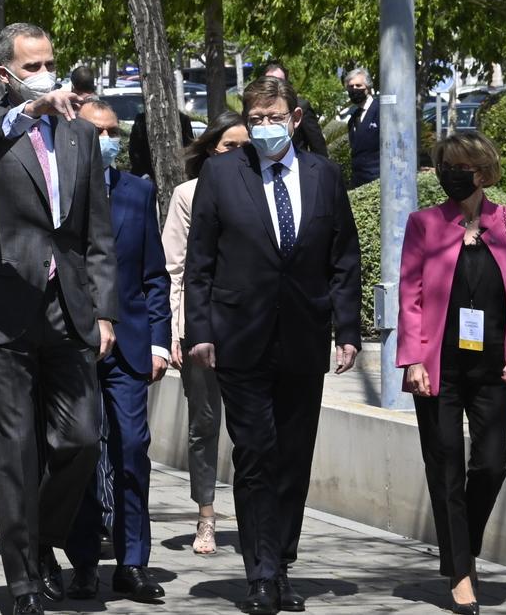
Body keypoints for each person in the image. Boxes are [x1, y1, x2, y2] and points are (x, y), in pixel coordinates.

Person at [0, 22, 117, 615]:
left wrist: (102, 312)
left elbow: (96, 230)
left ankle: (39, 536)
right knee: (13, 452)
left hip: (67, 307)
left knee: (81, 437)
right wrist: (26, 113)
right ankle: (22, 582)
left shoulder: (79, 133)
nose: (48, 75)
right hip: (1, 312)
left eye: (51, 64)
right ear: (7, 75)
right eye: (33, 67)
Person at [184, 76, 362, 615]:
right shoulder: (220, 174)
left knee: (292, 457)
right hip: (240, 339)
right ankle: (259, 574)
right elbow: (200, 265)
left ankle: (282, 561)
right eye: (255, 119)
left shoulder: (325, 176)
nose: (264, 128)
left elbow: (343, 260)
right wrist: (200, 332)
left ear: (296, 118)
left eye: (274, 118)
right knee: (256, 453)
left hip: (303, 340)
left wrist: (347, 330)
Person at [397, 131, 506, 615]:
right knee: (445, 468)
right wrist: (413, 358)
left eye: (461, 166)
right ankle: (461, 574)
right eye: (444, 166)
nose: (451, 174)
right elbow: (410, 294)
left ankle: (461, 547)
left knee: (492, 463)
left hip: (494, 365)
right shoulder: (424, 224)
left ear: (483, 172)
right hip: (438, 368)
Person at [63, 100, 171, 603]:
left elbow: (153, 275)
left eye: (112, 131)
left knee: (131, 451)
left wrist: (157, 342)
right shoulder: (59, 191)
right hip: (73, 345)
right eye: (96, 131)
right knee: (81, 453)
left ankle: (132, 563)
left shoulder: (138, 191)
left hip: (128, 348)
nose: (106, 139)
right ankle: (83, 561)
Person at [161, 110, 248, 556]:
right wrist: (176, 330)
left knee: (253, 428)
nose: (239, 153)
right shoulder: (187, 194)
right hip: (201, 328)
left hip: (250, 329)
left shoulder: (265, 193)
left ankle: (255, 518)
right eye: (230, 145)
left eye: (245, 145)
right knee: (204, 425)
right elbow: (173, 268)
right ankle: (206, 516)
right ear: (211, 149)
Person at [254, 60, 329, 159]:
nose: (275, 85)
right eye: (270, 81)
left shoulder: (301, 106)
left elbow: (318, 146)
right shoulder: (256, 109)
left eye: (279, 80)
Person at [126, 109, 195, 180]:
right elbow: (134, 149)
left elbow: (189, 148)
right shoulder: (142, 119)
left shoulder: (182, 119)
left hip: (175, 171)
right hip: (147, 172)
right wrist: (143, 174)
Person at [345, 67, 380, 187]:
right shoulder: (352, 119)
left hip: (377, 182)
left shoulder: (381, 111)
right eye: (351, 87)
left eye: (358, 86)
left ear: (368, 88)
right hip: (358, 183)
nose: (354, 89)